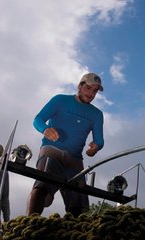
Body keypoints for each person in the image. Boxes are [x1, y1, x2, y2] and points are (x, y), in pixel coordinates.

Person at [27, 72, 105, 216]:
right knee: (43, 183)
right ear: (80, 87)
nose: (91, 94)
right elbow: (38, 119)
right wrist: (45, 129)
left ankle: (76, 235)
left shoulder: (97, 114)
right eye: (89, 88)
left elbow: (99, 140)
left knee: (80, 203)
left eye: (95, 91)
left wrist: (96, 146)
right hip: (51, 150)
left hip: (75, 158)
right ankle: (30, 223)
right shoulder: (60, 100)